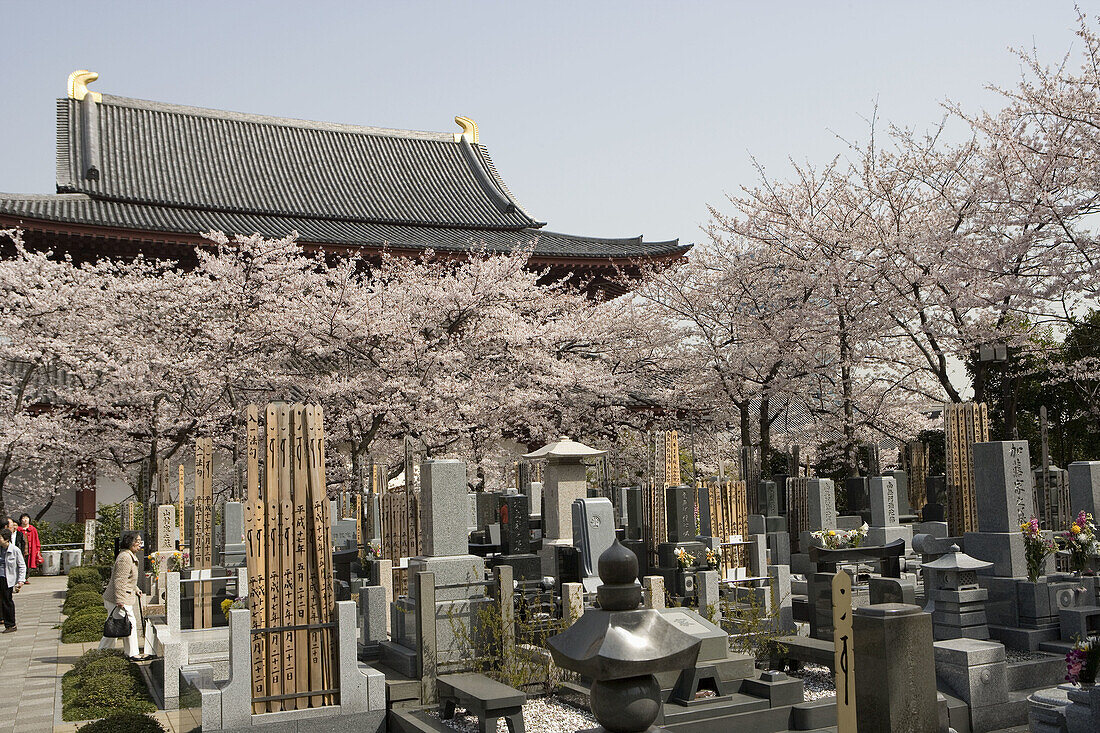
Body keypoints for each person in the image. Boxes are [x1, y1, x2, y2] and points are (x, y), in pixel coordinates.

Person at [100, 531, 147, 659]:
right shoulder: (125, 558)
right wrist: (120, 600)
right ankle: (132, 653)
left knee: (115, 627)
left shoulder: (128, 556)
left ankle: (103, 652)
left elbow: (128, 579)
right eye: (137, 541)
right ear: (130, 543)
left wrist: (136, 588)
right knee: (127, 624)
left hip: (119, 597)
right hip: (118, 598)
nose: (140, 544)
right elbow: (119, 580)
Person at [0, 527, 26, 632]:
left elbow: (22, 566)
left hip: (7, 579)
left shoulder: (14, 550)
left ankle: (11, 624)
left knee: (7, 601)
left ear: (6, 539)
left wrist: (21, 580)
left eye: (0, 538)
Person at [15, 514, 43, 582]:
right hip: (20, 549)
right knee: (20, 564)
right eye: (23, 518)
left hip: (30, 550)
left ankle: (26, 577)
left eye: (27, 518)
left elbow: (36, 540)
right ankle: (20, 578)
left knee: (28, 564)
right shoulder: (18, 529)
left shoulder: (33, 529)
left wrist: (38, 549)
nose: (25, 520)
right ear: (20, 520)